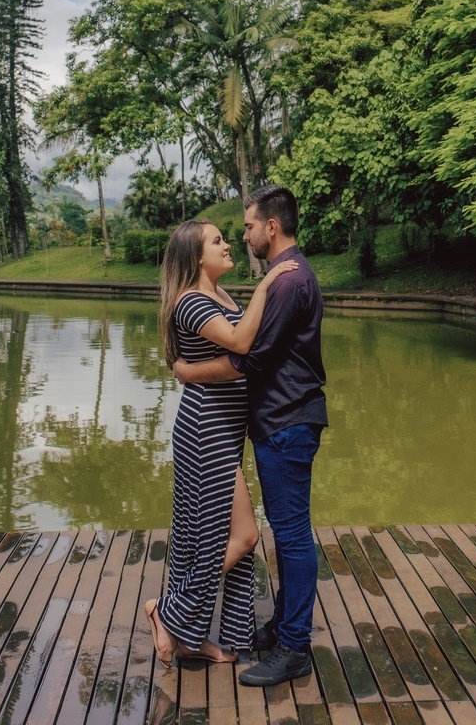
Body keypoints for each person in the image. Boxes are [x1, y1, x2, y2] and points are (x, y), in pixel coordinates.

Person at [173, 185, 327, 688]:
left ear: (271, 228)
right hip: (270, 422)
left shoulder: (285, 282)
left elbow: (250, 355)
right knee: (280, 532)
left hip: (286, 420)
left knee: (292, 535)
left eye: (246, 227)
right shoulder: (282, 279)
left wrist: (189, 373)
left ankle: (295, 646)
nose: (243, 236)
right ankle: (283, 628)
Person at [144, 217, 299, 669]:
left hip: (226, 428)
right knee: (246, 534)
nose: (228, 244)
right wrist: (269, 281)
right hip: (205, 427)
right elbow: (240, 342)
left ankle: (203, 638)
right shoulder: (190, 302)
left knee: (210, 535)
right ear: (196, 257)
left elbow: (246, 343)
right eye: (218, 241)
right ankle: (168, 614)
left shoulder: (221, 295)